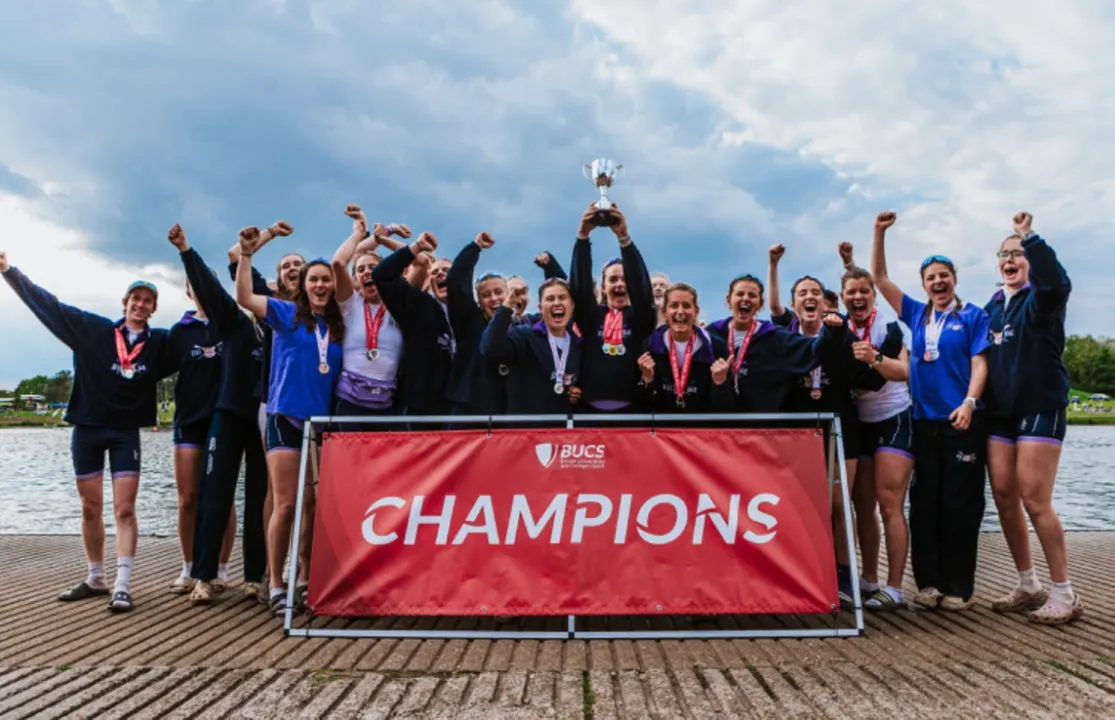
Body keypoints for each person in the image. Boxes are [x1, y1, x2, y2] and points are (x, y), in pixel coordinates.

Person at [1, 252, 176, 612]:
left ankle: (123, 585)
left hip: (126, 433)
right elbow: (47, 305)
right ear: (125, 303)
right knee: (90, 508)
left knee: (125, 510)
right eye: (136, 299)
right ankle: (96, 577)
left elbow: (196, 343)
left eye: (148, 301)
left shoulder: (159, 343)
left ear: (153, 309)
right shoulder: (92, 330)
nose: (140, 305)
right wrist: (8, 272)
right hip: (87, 430)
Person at [871, 210, 990, 612]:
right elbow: (881, 280)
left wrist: (970, 401)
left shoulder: (974, 315)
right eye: (930, 278)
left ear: (954, 278)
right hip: (924, 422)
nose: (938, 282)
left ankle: (959, 587)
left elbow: (980, 363)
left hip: (962, 420)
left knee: (961, 503)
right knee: (925, 503)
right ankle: (930, 583)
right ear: (924, 285)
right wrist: (879, 233)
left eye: (943, 275)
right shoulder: (917, 314)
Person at [235, 226, 344, 615]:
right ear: (304, 285)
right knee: (284, 504)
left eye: (325, 280)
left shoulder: (336, 325)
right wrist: (247, 255)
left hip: (320, 423)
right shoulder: (285, 313)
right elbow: (246, 297)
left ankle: (303, 579)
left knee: (311, 504)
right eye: (313, 279)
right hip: (284, 416)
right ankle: (275, 582)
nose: (319, 285)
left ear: (332, 286)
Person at [984, 212, 1080, 624]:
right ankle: (1029, 583)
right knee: (1004, 495)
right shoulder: (993, 306)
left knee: (1034, 499)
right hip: (1001, 411)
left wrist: (1030, 237)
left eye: (1017, 254)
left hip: (1040, 404)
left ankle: (1065, 593)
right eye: (1004, 254)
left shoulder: (1041, 296)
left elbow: (1058, 281)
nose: (1010, 259)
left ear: (1029, 262)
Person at [167, 224, 269, 604]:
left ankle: (255, 577)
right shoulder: (233, 322)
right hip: (227, 416)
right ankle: (204, 576)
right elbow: (208, 289)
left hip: (263, 419)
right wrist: (185, 250)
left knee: (260, 498)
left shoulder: (280, 326)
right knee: (214, 496)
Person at [840, 263, 914, 611]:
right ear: (843, 298)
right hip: (860, 423)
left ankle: (895, 587)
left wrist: (875, 357)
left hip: (893, 419)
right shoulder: (839, 327)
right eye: (851, 293)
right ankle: (868, 580)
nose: (857, 297)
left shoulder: (887, 326)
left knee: (889, 503)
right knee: (861, 505)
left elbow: (902, 372)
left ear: (872, 296)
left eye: (864, 292)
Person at [166, 268, 233, 595]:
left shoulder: (230, 324)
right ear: (188, 290)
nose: (201, 288)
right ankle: (189, 566)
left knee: (223, 498)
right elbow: (151, 368)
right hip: (189, 422)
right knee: (188, 498)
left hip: (223, 420)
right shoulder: (179, 331)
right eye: (195, 283)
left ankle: (220, 568)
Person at [706, 274, 845, 412]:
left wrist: (832, 329)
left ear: (760, 304)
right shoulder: (711, 336)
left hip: (765, 428)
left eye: (752, 295)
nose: (746, 298)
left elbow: (814, 351)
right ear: (729, 300)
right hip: (720, 426)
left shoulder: (775, 337)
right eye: (740, 294)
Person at [569, 204, 657, 413]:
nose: (620, 284)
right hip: (588, 411)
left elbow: (642, 290)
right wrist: (583, 237)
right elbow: (579, 288)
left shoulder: (640, 317)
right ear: (603, 286)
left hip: (631, 413)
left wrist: (624, 238)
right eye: (613, 279)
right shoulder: (590, 316)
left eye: (625, 279)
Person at [329, 206, 408, 423]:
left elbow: (417, 261)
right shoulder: (350, 304)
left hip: (386, 402)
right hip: (349, 401)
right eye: (361, 270)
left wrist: (385, 239)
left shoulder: (399, 303)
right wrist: (359, 233)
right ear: (355, 280)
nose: (367, 272)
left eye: (373, 267)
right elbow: (338, 263)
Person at [371, 232, 454, 419]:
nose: (440, 273)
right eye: (435, 272)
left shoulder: (474, 314)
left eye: (448, 270)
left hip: (454, 412)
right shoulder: (421, 305)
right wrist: (415, 247)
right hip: (417, 409)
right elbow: (382, 275)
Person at [480, 278, 583, 413]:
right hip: (525, 429)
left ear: (572, 305)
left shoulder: (577, 343)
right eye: (550, 299)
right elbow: (489, 348)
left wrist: (576, 392)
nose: (557, 303)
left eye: (562, 297)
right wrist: (506, 307)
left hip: (560, 429)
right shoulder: (523, 335)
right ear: (540, 308)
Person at [636, 283, 734, 413]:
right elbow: (642, 405)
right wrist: (646, 381)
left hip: (702, 430)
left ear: (696, 312)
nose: (680, 312)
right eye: (674, 305)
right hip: (663, 430)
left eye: (687, 306)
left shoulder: (715, 346)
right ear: (665, 311)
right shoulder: (651, 345)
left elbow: (726, 408)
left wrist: (720, 384)